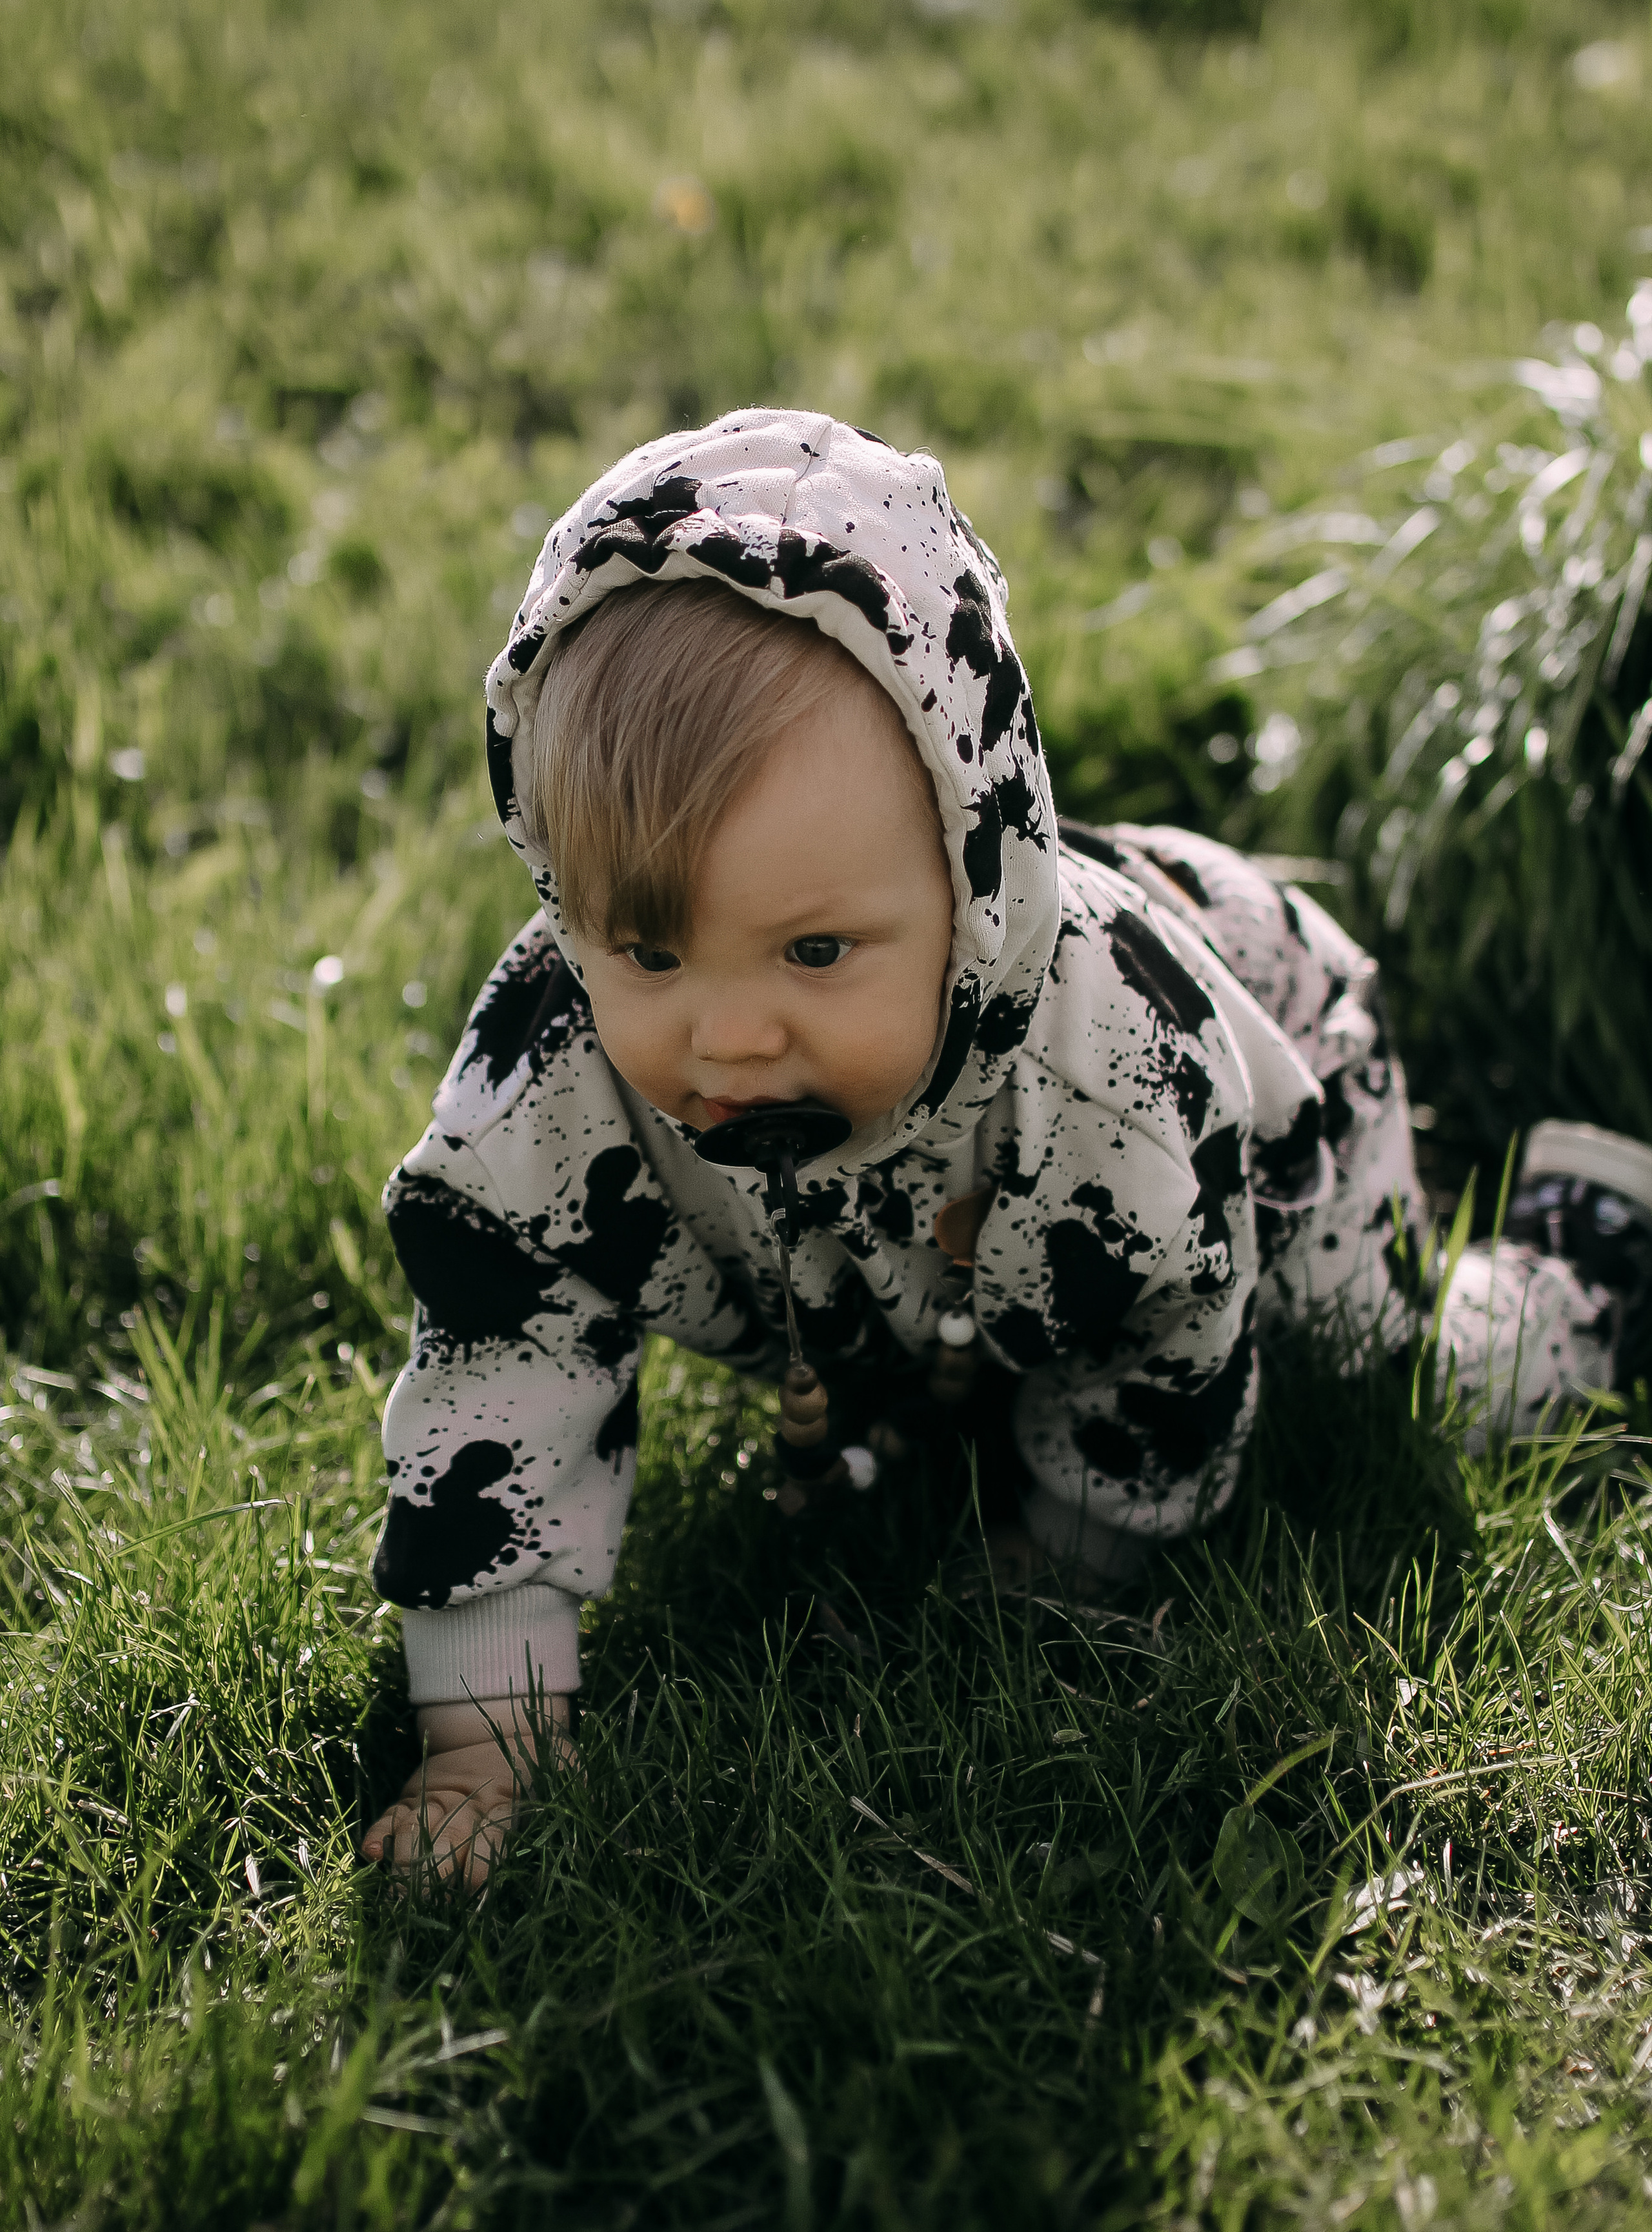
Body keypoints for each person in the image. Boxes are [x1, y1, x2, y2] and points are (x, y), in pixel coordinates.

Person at [359, 409, 1650, 1879]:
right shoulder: (551, 1068)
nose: (724, 1040)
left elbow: (1167, 1313)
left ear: (971, 882)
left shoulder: (1111, 1076)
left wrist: (1066, 1560)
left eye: (816, 950)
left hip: (1274, 1137)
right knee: (948, 1327)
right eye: (647, 949)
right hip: (933, 1256)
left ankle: (1575, 1253)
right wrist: (483, 1734)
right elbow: (496, 1356)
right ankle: (943, 1370)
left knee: (1386, 1362)